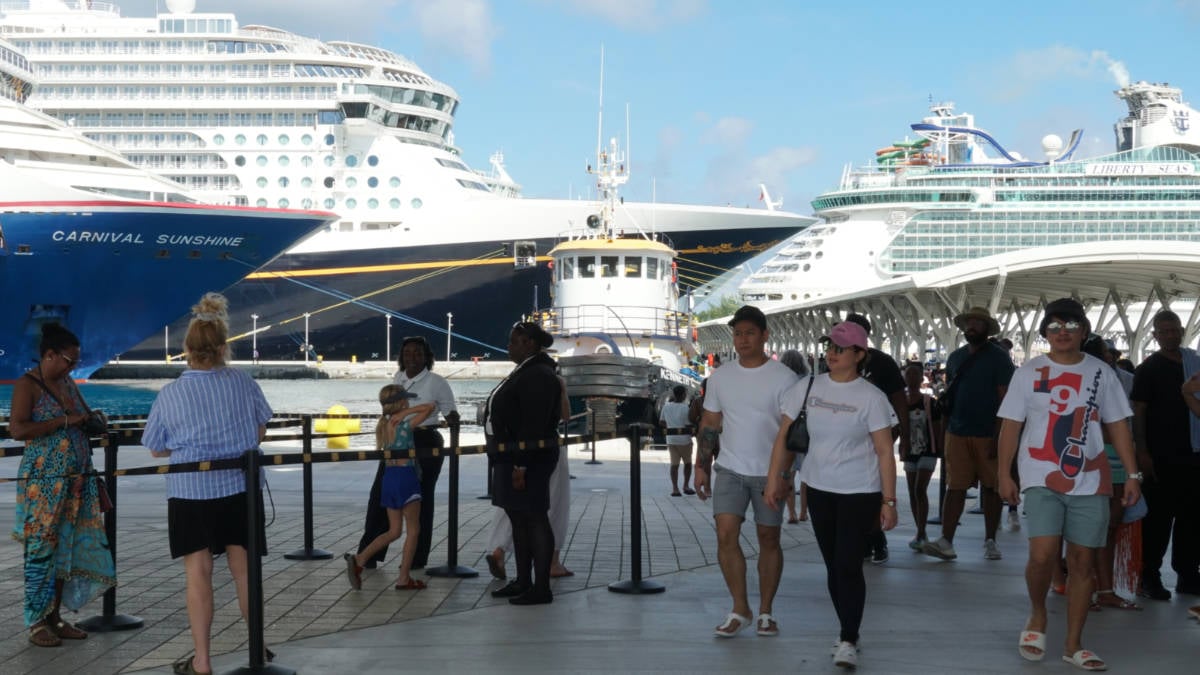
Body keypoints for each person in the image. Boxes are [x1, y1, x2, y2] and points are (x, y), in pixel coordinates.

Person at [997, 297, 1140, 672]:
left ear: (1084, 332)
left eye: (1071, 326)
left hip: (1091, 480)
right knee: (1042, 554)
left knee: (1082, 563)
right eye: (1055, 326)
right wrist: (1003, 473)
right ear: (1045, 332)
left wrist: (1133, 474)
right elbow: (1011, 425)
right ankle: (1037, 614)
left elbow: (1118, 426)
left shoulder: (1101, 373)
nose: (1063, 332)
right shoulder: (1028, 372)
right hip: (1040, 476)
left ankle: (1074, 644)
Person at [142, 293, 274, 675]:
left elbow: (154, 448)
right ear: (222, 348)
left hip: (190, 492)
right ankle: (257, 644)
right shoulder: (242, 382)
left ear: (187, 349)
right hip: (238, 488)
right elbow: (260, 429)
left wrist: (190, 447)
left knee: (198, 574)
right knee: (245, 571)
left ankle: (202, 659)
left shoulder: (170, 394)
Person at [765, 321, 898, 670]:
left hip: (860, 491)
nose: (832, 354)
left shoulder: (872, 397)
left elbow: (885, 452)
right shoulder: (807, 387)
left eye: (840, 349)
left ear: (859, 355)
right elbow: (784, 437)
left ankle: (848, 637)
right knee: (832, 565)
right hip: (819, 489)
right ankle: (847, 630)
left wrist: (889, 500)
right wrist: (775, 479)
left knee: (848, 565)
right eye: (829, 347)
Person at [8, 323, 115, 648]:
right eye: (68, 360)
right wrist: (63, 422)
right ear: (49, 355)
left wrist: (92, 418)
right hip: (44, 487)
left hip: (75, 484)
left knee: (64, 550)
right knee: (40, 553)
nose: (73, 367)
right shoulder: (27, 385)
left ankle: (55, 616)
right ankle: (36, 622)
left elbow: (81, 414)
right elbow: (17, 430)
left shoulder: (67, 383)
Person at [694, 305, 799, 638]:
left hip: (770, 473)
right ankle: (740, 607)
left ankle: (766, 610)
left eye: (749, 333)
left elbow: (794, 434)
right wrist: (702, 466)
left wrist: (783, 477)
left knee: (769, 538)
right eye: (738, 333)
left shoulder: (785, 379)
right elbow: (710, 424)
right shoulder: (721, 377)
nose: (742, 340)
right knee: (725, 533)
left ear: (765, 336)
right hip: (730, 469)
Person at [357, 336, 458, 570]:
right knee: (380, 496)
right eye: (408, 353)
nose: (412, 357)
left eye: (418, 353)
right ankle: (368, 554)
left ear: (427, 357)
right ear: (401, 357)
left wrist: (453, 425)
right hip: (397, 441)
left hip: (424, 440)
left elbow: (450, 413)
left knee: (421, 501)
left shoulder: (437, 382)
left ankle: (415, 560)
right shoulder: (398, 378)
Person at [923, 306, 1014, 562]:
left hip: (988, 433)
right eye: (969, 322)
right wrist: (945, 432)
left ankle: (990, 540)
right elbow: (950, 397)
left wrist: (999, 438)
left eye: (978, 322)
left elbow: (1004, 400)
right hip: (957, 432)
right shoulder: (955, 358)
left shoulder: (999, 358)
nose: (972, 326)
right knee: (955, 487)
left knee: (992, 488)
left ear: (987, 328)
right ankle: (946, 541)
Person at [483, 321, 562, 605]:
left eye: (513, 342)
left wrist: (521, 466)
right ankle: (524, 580)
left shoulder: (538, 374)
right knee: (519, 519)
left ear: (529, 343)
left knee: (534, 518)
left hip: (527, 458)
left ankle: (541, 587)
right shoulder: (528, 370)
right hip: (510, 456)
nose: (509, 347)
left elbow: (534, 424)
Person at [1131, 309, 1200, 600]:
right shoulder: (1149, 369)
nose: (1170, 335)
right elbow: (1138, 411)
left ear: (1182, 331)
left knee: (1193, 517)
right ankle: (1148, 575)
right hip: (1161, 455)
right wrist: (1142, 451)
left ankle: (1187, 574)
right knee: (1158, 519)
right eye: (1164, 331)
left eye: (1175, 330)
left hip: (1194, 454)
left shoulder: (1194, 364)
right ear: (1155, 335)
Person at [344, 385, 435, 591]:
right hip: (406, 479)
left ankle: (360, 559)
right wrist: (405, 413)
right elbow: (430, 407)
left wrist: (398, 412)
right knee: (414, 530)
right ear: (401, 403)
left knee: (394, 531)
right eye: (406, 401)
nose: (409, 404)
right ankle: (404, 578)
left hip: (389, 478)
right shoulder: (404, 425)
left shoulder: (384, 425)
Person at [485, 373, 574, 580]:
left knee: (512, 506)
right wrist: (563, 389)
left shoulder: (510, 383)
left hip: (512, 448)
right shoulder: (554, 381)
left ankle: (498, 550)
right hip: (546, 448)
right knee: (553, 503)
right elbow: (565, 415)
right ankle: (552, 562)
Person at [1081, 335, 1141, 611]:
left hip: (1116, 458)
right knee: (1089, 528)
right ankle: (1084, 586)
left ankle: (1103, 588)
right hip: (1091, 459)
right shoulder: (1084, 382)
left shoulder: (1117, 380)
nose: (1110, 358)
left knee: (1110, 525)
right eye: (1105, 353)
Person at [843, 313, 907, 565]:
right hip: (848, 440)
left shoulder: (883, 362)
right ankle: (861, 540)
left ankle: (876, 539)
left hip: (878, 437)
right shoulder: (837, 361)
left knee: (872, 492)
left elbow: (899, 400)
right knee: (851, 493)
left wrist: (904, 436)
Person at [902, 361, 941, 550]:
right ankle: (920, 531)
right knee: (911, 491)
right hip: (909, 451)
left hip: (927, 449)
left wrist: (940, 448)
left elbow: (937, 425)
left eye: (914, 375)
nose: (911, 379)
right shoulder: (901, 401)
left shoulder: (929, 402)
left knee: (919, 489)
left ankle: (921, 531)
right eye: (908, 375)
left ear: (921, 378)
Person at [778, 350, 810, 523]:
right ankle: (804, 511)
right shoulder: (808, 381)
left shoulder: (783, 382)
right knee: (805, 476)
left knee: (788, 475)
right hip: (806, 433)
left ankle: (791, 513)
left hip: (788, 433)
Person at [660, 385, 695, 496]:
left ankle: (675, 488)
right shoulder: (685, 408)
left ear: (674, 394)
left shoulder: (666, 406)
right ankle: (686, 486)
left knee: (674, 465)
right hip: (685, 440)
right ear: (684, 395)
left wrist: (670, 426)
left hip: (671, 440)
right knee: (688, 464)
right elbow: (688, 424)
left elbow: (661, 422)